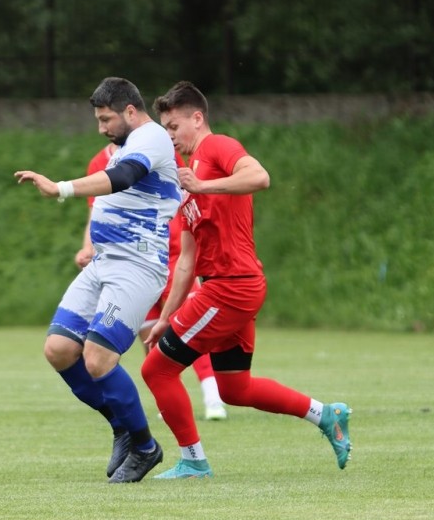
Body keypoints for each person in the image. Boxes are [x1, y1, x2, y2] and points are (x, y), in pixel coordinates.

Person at [141, 81, 352, 479]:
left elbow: (260, 176)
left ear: (197, 118)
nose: (170, 136)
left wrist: (203, 185)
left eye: (173, 127)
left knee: (156, 371)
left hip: (230, 288)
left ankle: (193, 461)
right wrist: (166, 317)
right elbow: (186, 261)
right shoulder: (186, 178)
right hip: (230, 286)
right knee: (234, 388)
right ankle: (326, 414)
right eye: (165, 129)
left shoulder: (217, 147)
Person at [15, 76, 181, 483]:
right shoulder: (127, 143)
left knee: (98, 358)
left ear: (130, 111)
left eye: (106, 119)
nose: (101, 128)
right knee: (59, 349)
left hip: (137, 267)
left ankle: (145, 447)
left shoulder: (151, 137)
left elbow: (123, 177)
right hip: (104, 262)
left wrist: (61, 188)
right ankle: (122, 426)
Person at [76, 145, 228, 421]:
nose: (105, 127)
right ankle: (167, 400)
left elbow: (187, 191)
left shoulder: (157, 147)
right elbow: (96, 211)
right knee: (149, 332)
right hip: (130, 261)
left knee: (187, 326)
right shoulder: (99, 161)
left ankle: (212, 395)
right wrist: (88, 247)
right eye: (102, 122)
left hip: (170, 253)